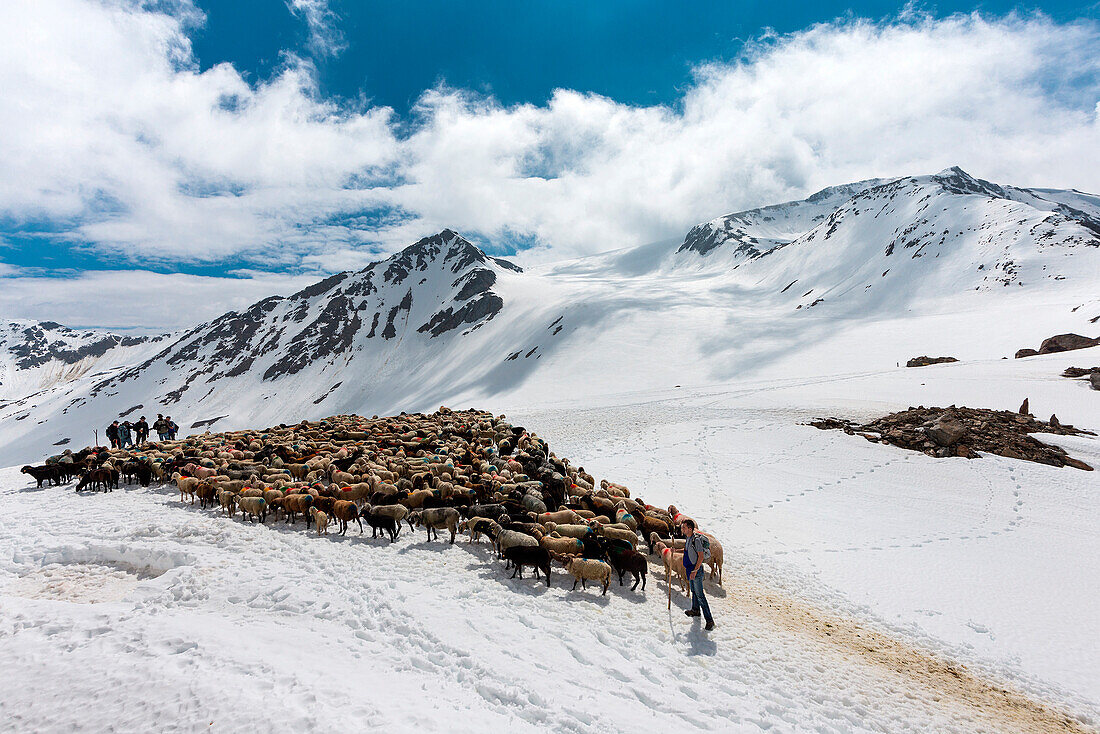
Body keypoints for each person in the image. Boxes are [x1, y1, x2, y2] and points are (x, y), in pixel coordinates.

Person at [681, 518, 715, 631]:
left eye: (684, 527)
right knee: (694, 591)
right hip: (689, 569)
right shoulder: (688, 538)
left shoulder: (696, 540)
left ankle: (709, 620)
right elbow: (686, 550)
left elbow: (700, 556)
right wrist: (675, 550)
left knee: (700, 595)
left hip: (696, 571)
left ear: (690, 529)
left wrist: (695, 571)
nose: (682, 529)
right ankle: (695, 610)